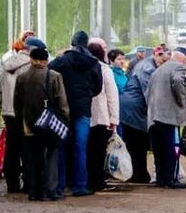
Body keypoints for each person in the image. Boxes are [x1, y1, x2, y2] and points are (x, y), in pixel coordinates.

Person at [48, 31, 103, 197]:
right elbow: (98, 88)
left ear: (71, 43)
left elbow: (49, 77)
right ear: (86, 44)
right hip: (83, 110)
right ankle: (80, 186)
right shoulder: (94, 63)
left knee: (61, 147)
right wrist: (86, 96)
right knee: (80, 148)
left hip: (62, 110)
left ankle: (60, 186)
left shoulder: (60, 61)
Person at [13, 46, 69, 201]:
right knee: (51, 156)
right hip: (49, 123)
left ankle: (33, 191)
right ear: (46, 60)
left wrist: (21, 120)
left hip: (29, 124)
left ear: (31, 59)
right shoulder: (54, 76)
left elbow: (17, 103)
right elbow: (62, 102)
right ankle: (49, 190)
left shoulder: (22, 77)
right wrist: (65, 120)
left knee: (32, 157)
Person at [0, 36, 45, 194]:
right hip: (24, 112)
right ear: (32, 51)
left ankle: (12, 184)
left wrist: (2, 103)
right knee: (27, 148)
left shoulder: (6, 63)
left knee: (11, 148)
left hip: (7, 112)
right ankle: (28, 184)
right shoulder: (29, 67)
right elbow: (31, 92)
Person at [146, 47, 186, 189]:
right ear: (184, 60)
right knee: (171, 149)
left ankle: (161, 179)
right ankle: (171, 179)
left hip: (154, 116)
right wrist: (182, 101)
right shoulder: (178, 67)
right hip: (169, 116)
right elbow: (178, 82)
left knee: (159, 150)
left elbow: (148, 92)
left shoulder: (158, 69)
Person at [119, 46, 164, 183]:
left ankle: (138, 173)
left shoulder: (145, 65)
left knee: (136, 143)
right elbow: (148, 94)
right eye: (163, 61)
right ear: (157, 56)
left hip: (130, 108)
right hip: (134, 110)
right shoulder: (148, 69)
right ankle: (138, 174)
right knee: (138, 142)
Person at [87, 40, 119, 192]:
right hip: (101, 116)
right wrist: (114, 119)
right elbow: (112, 96)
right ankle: (98, 181)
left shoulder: (82, 68)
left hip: (86, 116)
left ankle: (88, 180)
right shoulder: (104, 69)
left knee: (88, 150)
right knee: (99, 151)